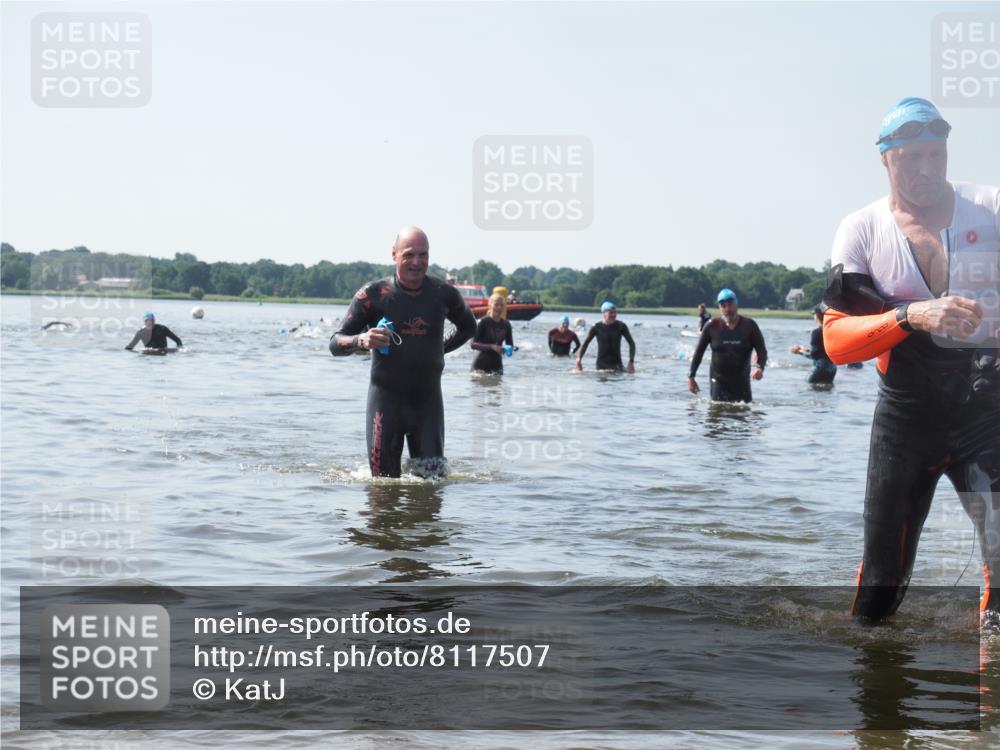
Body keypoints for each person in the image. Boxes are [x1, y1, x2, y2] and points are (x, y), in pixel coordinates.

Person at [822, 97, 1000, 622]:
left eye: (935, 154)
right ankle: (876, 684)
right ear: (885, 158)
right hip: (906, 420)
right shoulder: (861, 229)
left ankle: (990, 695)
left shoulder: (991, 208)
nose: (926, 168)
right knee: (881, 587)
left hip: (988, 416)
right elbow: (836, 341)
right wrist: (912, 316)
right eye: (911, 157)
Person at [330, 226, 476, 478]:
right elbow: (335, 343)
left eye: (423, 255)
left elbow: (468, 327)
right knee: (382, 487)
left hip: (427, 404)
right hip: (385, 404)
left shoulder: (443, 294)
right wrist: (361, 340)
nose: (417, 262)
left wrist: (439, 350)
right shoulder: (373, 295)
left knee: (431, 485)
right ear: (394, 254)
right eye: (409, 255)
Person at [687, 289, 767, 402]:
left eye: (730, 305)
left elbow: (762, 351)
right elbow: (698, 353)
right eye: (723, 305)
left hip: (742, 381)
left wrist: (760, 368)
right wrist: (691, 376)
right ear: (719, 307)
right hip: (718, 380)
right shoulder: (711, 326)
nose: (727, 309)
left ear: (736, 304)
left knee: (743, 413)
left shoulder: (749, 326)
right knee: (717, 411)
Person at [575, 301, 635, 373]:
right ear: (604, 313)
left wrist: (631, 361)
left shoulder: (621, 326)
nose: (614, 315)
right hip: (601, 366)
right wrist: (578, 359)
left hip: (617, 365)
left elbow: (631, 343)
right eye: (611, 313)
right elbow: (585, 344)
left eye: (615, 312)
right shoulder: (596, 327)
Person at [789, 306, 838, 385]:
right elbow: (823, 351)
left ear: (817, 316)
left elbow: (814, 355)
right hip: (832, 368)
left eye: (813, 314)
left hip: (820, 368)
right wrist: (804, 349)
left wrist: (798, 352)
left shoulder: (816, 332)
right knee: (827, 392)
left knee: (809, 388)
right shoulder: (832, 331)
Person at [471, 293, 514, 374]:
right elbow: (473, 344)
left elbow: (510, 345)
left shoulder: (506, 324)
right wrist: (492, 347)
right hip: (480, 366)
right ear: (490, 305)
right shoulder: (482, 322)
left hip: (497, 365)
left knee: (498, 386)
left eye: (501, 305)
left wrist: (506, 350)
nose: (499, 308)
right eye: (496, 305)